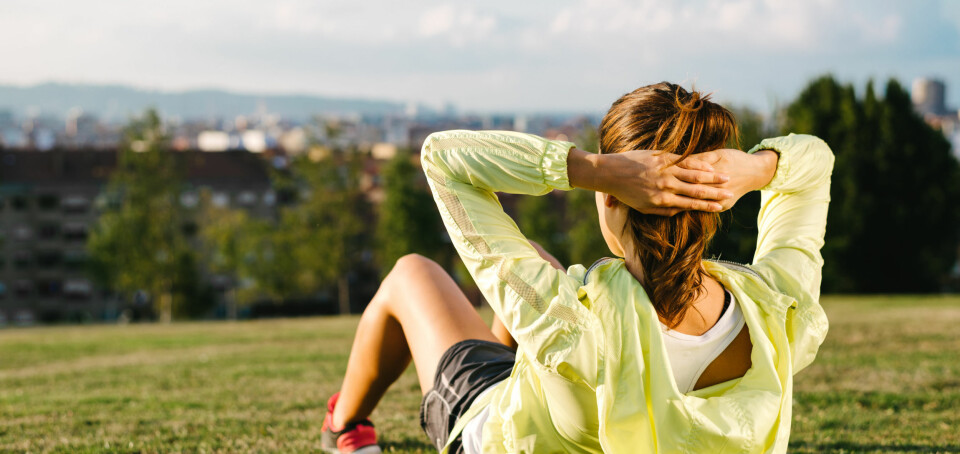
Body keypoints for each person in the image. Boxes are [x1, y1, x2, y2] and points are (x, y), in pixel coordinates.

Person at [320, 82, 833, 454]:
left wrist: (589, 168)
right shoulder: (779, 312)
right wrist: (756, 168)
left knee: (413, 273)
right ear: (717, 203)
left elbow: (444, 158)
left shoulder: (569, 321)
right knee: (537, 258)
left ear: (611, 200)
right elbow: (816, 163)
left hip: (497, 432)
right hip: (555, 380)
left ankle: (345, 427)